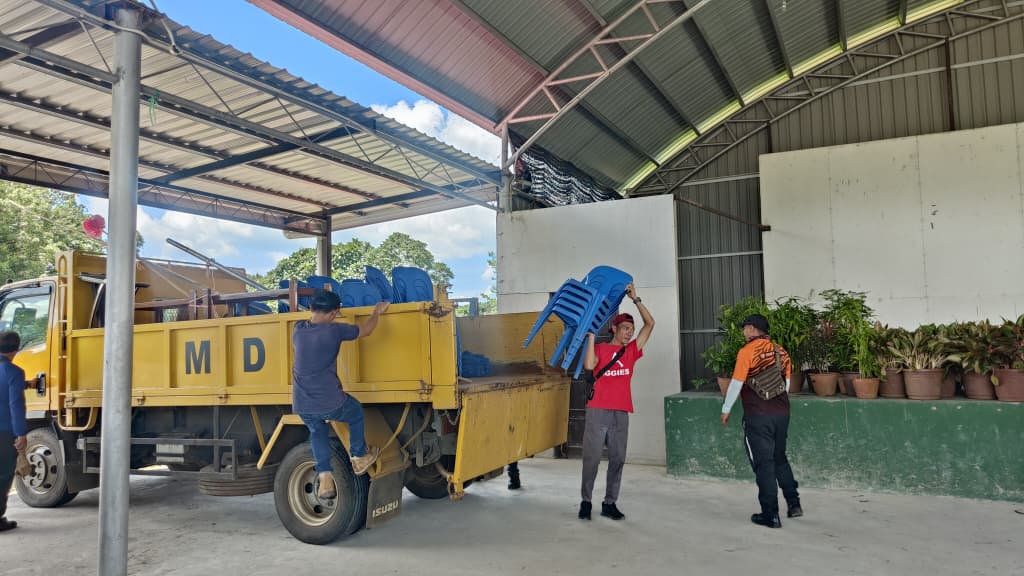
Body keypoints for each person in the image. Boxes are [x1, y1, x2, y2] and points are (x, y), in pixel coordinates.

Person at [293, 289, 388, 500]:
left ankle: (325, 477)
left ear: (310, 308)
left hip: (302, 402)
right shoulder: (335, 331)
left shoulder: (298, 329)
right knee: (354, 411)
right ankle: (358, 456)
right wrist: (376, 312)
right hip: (329, 401)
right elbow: (367, 331)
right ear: (335, 313)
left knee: (317, 432)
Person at [578, 283, 654, 521]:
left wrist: (636, 299)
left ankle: (610, 502)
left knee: (618, 458)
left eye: (631, 329)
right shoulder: (600, 348)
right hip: (598, 410)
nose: (629, 333)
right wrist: (591, 338)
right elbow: (589, 366)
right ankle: (586, 501)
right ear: (613, 328)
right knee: (591, 458)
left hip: (621, 412)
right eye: (624, 329)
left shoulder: (631, 351)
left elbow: (650, 324)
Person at [720, 314, 803, 529]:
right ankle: (794, 504)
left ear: (752, 329)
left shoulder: (747, 352)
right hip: (782, 412)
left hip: (758, 414)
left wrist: (726, 409)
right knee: (779, 459)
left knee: (764, 464)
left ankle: (770, 514)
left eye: (744, 328)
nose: (743, 332)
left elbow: (737, 383)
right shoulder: (781, 351)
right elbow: (785, 384)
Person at [1, 331, 27, 532]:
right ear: (15, 349)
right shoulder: (13, 372)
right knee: (2, 475)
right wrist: (21, 434)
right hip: (4, 432)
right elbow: (15, 404)